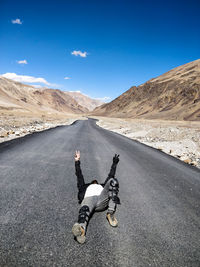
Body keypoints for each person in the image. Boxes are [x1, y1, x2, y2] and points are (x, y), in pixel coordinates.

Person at [72, 150, 120, 244]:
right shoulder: (85, 187)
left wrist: (114, 163)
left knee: (113, 181)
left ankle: (110, 213)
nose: (94, 182)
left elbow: (111, 176)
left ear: (97, 183)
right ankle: (81, 229)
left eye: (95, 181)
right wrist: (77, 161)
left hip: (102, 199)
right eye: (93, 181)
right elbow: (79, 176)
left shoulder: (101, 186)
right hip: (89, 199)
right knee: (84, 211)